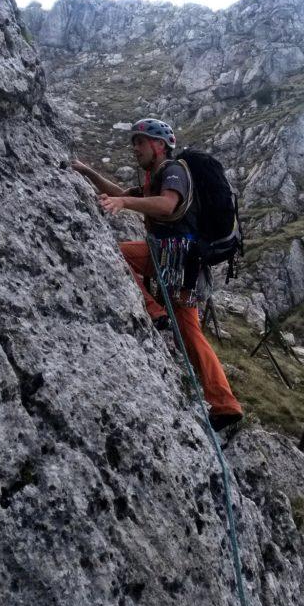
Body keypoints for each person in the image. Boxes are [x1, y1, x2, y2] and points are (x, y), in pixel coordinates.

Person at [72, 118, 243, 432]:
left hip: (172, 256)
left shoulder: (173, 171)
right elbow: (123, 192)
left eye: (141, 141)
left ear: (159, 145)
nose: (135, 148)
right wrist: (88, 172)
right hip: (186, 268)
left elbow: (166, 205)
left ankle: (154, 310)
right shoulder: (158, 176)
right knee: (190, 333)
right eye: (134, 142)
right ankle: (225, 404)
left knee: (115, 253)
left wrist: (124, 202)